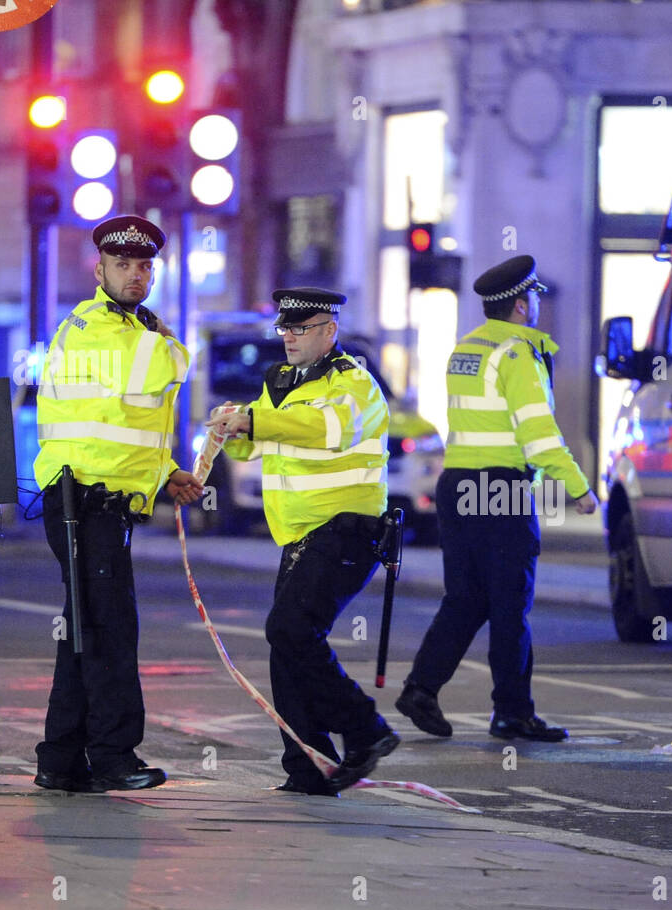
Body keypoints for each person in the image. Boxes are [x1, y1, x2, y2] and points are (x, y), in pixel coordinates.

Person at [395, 256, 598, 743]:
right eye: (534, 302)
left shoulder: (467, 348)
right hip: (500, 489)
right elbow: (539, 434)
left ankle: (421, 688)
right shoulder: (517, 356)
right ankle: (512, 712)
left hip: (457, 483)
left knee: (465, 599)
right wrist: (578, 488)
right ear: (523, 305)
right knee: (510, 607)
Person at [33, 215, 204, 793]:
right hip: (88, 505)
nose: (138, 274)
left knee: (84, 629)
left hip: (90, 500)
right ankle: (111, 756)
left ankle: (60, 759)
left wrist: (165, 476)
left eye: (145, 265)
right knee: (109, 631)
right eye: (125, 265)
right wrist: (159, 328)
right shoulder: (112, 333)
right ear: (99, 269)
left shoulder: (90, 326)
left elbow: (122, 423)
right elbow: (177, 364)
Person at [205, 288, 399, 795]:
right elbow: (262, 445)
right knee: (285, 646)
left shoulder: (352, 382)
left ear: (329, 331)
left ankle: (365, 728)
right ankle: (309, 764)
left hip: (345, 529)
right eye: (284, 328)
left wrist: (257, 419)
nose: (288, 336)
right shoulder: (281, 382)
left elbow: (326, 429)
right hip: (298, 534)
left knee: (290, 630)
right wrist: (236, 429)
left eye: (300, 327)